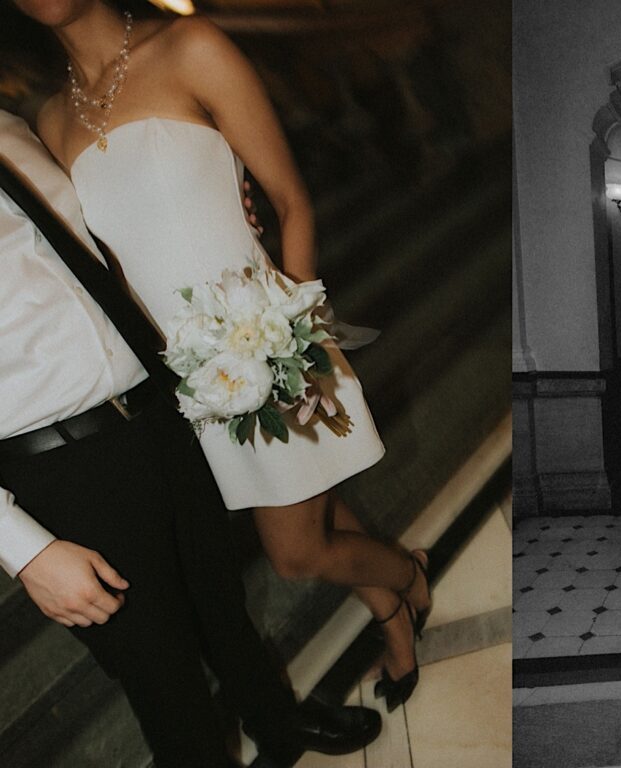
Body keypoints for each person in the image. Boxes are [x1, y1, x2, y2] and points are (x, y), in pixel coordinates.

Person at [13, 0, 430, 710]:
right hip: (184, 385)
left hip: (266, 346)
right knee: (299, 510)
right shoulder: (49, 120)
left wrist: (295, 345)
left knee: (296, 554)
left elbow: (290, 201)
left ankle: (404, 581)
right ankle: (397, 614)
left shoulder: (191, 45)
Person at [0, 110, 380, 767]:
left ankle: (278, 724)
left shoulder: (12, 127)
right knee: (165, 683)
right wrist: (23, 549)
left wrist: (228, 196)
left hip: (155, 411)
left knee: (221, 606)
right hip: (58, 463)